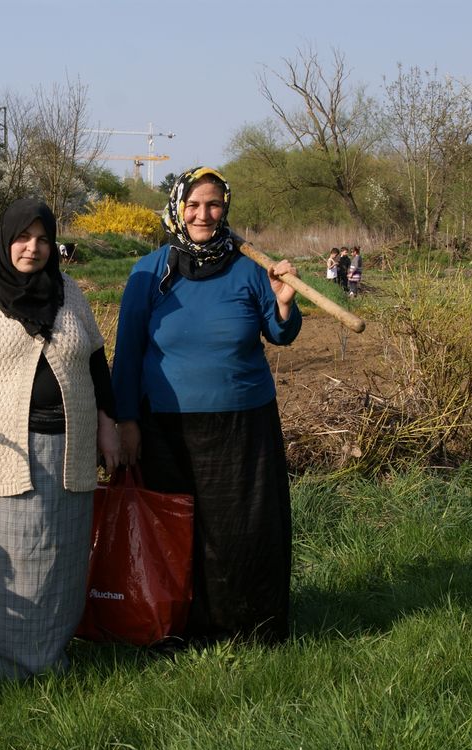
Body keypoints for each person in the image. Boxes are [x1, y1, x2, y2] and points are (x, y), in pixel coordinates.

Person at [0, 197, 120, 683]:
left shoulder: (69, 293)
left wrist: (108, 427)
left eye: (43, 239)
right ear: (4, 239)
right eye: (22, 237)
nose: (32, 248)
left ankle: (46, 662)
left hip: (67, 454)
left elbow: (97, 366)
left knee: (57, 562)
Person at [112, 167, 301, 646]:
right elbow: (128, 353)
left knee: (242, 530)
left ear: (226, 208)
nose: (204, 214)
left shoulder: (249, 268)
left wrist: (282, 302)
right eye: (194, 205)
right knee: (177, 531)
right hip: (166, 430)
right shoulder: (149, 272)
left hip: (244, 422)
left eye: (214, 204)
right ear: (178, 208)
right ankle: (175, 627)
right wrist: (126, 421)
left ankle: (249, 627)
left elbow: (281, 334)